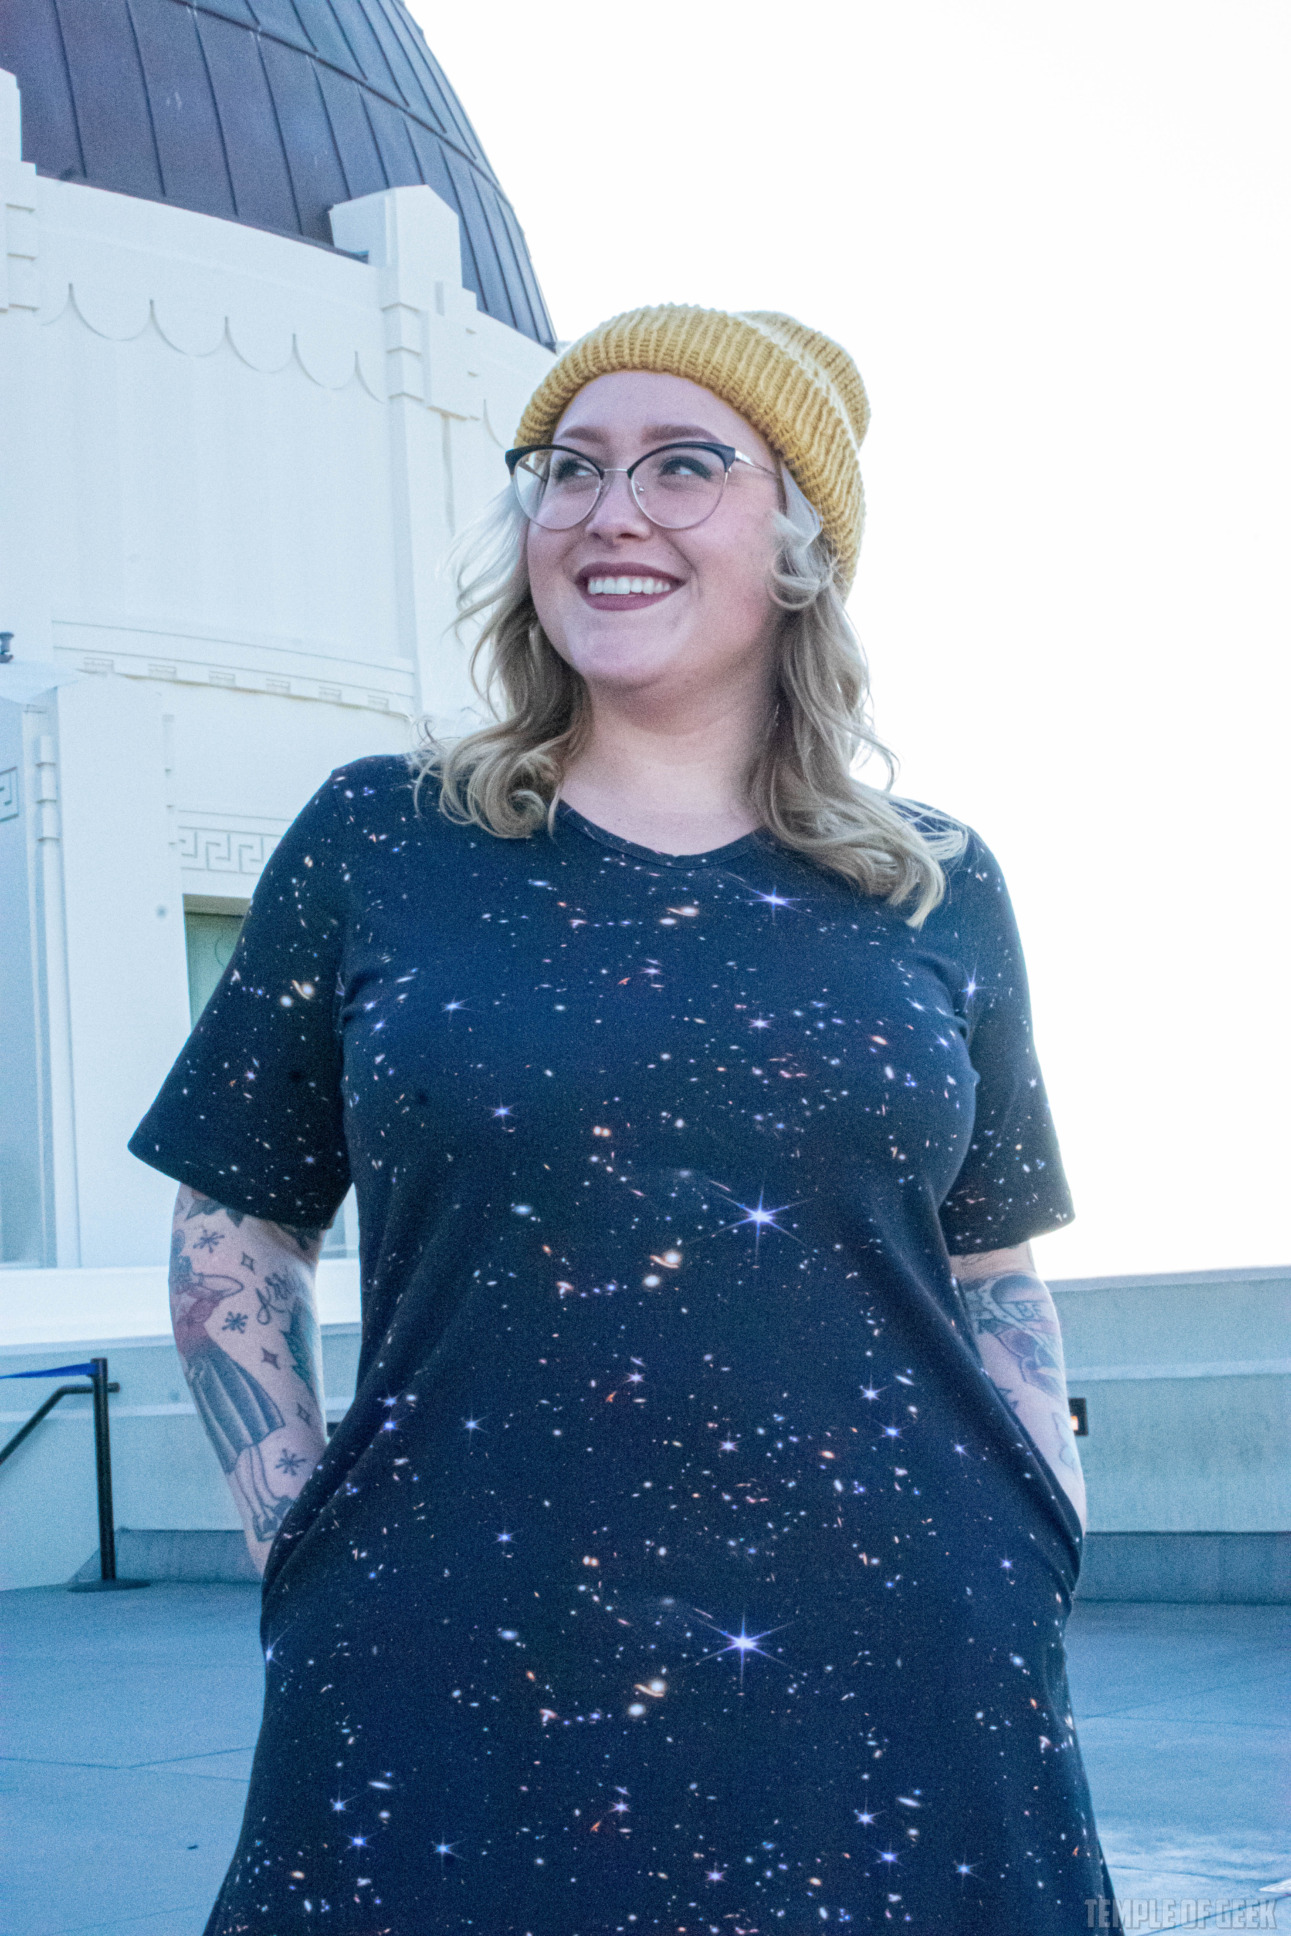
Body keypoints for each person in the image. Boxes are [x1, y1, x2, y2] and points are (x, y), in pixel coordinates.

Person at [131, 305, 1116, 1934]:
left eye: (682, 465)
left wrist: (1035, 1529)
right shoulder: (387, 837)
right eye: (567, 469)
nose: (610, 511)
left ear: (800, 542)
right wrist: (307, 1554)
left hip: (908, 1661)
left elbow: (991, 1249)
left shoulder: (930, 881)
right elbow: (235, 1216)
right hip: (445, 1655)